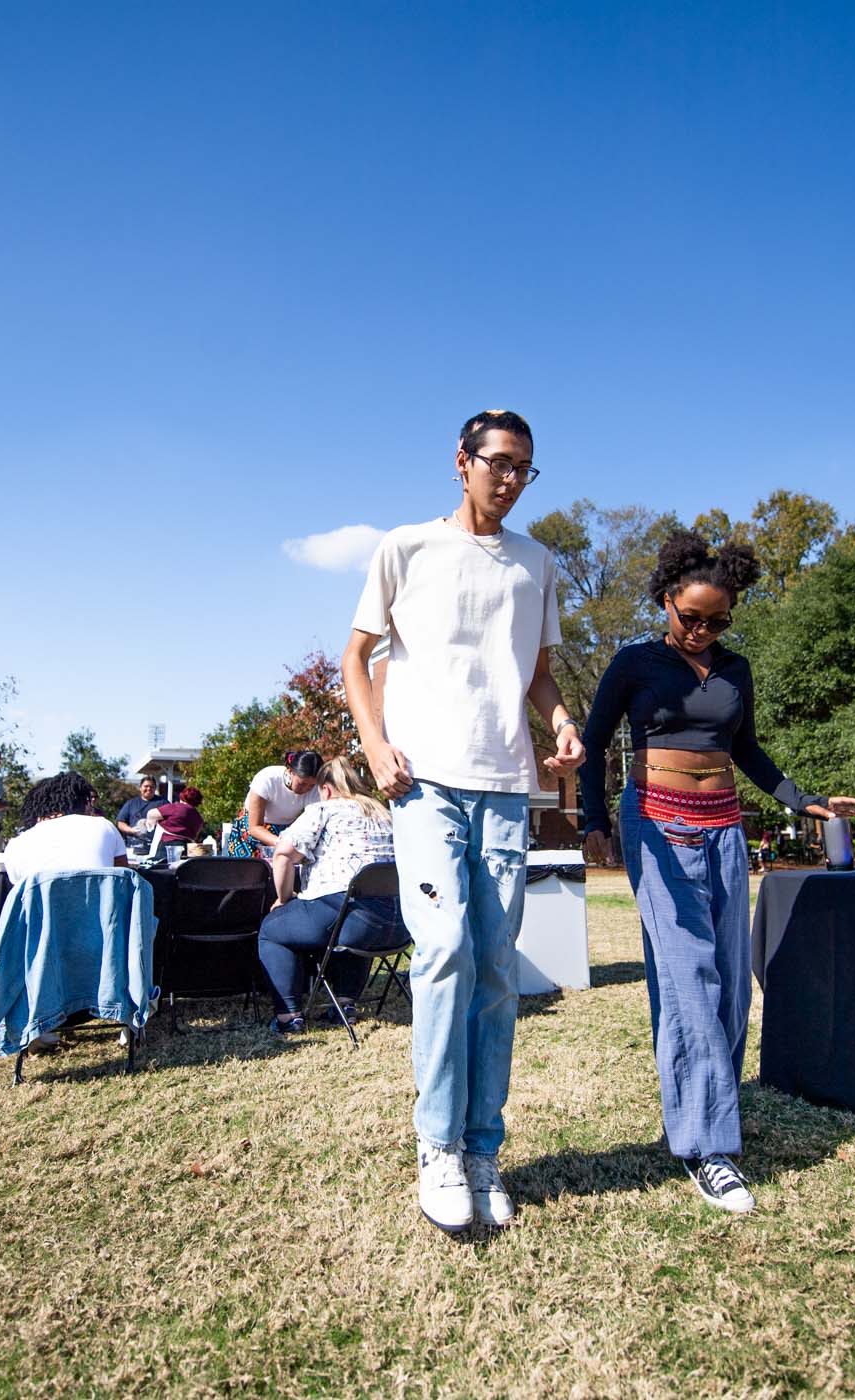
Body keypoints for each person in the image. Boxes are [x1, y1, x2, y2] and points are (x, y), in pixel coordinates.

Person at [342, 408, 584, 1235]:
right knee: (442, 951)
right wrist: (374, 742)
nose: (511, 479)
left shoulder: (536, 563)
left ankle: (485, 1150)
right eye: (499, 463)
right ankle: (437, 1148)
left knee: (492, 967)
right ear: (461, 461)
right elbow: (355, 657)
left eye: (526, 468)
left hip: (507, 786)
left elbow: (539, 675)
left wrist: (560, 722)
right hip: (424, 783)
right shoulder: (405, 548)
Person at [580, 530, 855, 1214]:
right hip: (657, 825)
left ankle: (714, 1111)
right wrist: (594, 822)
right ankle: (709, 1149)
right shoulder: (634, 663)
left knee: (733, 984)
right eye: (690, 616)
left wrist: (804, 800)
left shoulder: (735, 670)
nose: (702, 630)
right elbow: (590, 746)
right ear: (666, 598)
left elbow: (750, 751)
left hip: (724, 830)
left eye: (718, 620)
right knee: (690, 981)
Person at [258, 759, 406, 1034]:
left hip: (349, 917)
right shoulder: (383, 813)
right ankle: (345, 1004)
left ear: (325, 790)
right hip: (396, 923)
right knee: (353, 914)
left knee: (273, 929)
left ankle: (289, 1017)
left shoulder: (323, 810)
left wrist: (284, 899)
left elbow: (282, 855)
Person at [0, 773, 129, 884]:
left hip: (42, 913)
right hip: (100, 911)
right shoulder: (103, 826)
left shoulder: (16, 845)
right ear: (83, 802)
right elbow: (123, 879)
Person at [226, 751, 325, 857]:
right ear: (290, 771)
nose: (306, 789)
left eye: (311, 786)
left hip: (285, 832)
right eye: (302, 784)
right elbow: (255, 827)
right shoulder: (267, 779)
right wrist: (281, 843)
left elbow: (313, 823)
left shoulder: (315, 789)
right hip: (251, 831)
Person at [152, 786, 207, 850]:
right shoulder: (199, 818)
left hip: (167, 846)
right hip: (186, 847)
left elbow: (152, 814)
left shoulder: (177, 807)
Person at [116, 776, 166, 843]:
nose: (149, 788)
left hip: (156, 844)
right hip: (134, 844)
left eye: (152, 787)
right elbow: (120, 823)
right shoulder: (131, 803)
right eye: (146, 786)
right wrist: (131, 830)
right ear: (140, 787)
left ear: (155, 788)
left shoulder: (163, 803)